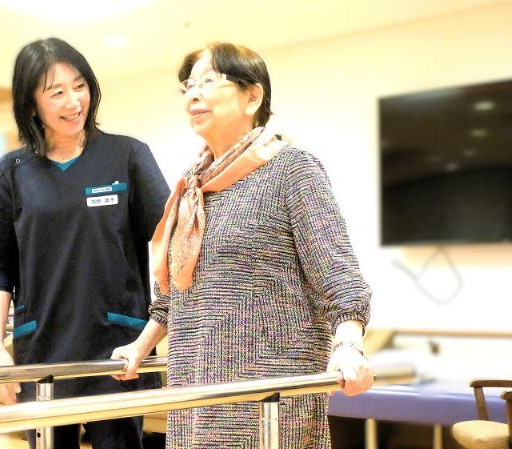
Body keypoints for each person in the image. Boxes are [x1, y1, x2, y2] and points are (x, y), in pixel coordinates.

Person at [111, 42, 374, 448]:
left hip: (269, 392)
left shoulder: (291, 169)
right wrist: (140, 346)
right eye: (188, 86)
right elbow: (174, 295)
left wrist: (349, 345)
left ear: (253, 96)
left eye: (208, 81)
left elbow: (338, 276)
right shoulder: (192, 188)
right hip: (194, 385)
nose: (193, 95)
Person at [0, 37, 170, 449]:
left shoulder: (128, 156)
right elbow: (1, 266)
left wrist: (153, 331)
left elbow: (172, 246)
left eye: (79, 86)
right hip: (42, 350)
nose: (73, 101)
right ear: (31, 104)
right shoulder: (10, 173)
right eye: (56, 92)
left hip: (118, 348)